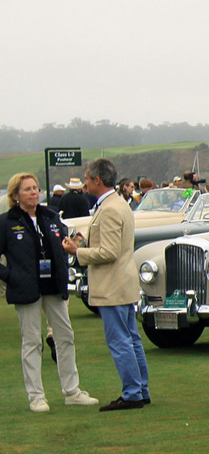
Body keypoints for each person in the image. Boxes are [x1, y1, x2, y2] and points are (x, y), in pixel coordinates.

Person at [1, 173, 95, 411]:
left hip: (53, 287)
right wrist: (11, 277)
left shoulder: (51, 216)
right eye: (27, 189)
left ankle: (72, 391)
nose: (34, 192)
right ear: (15, 195)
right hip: (26, 289)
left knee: (65, 336)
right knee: (32, 342)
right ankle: (36, 396)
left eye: (35, 188)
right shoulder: (6, 222)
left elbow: (65, 244)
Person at [61, 159, 149, 411]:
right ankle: (140, 390)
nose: (85, 184)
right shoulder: (117, 204)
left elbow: (109, 252)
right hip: (122, 283)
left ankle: (133, 393)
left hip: (113, 285)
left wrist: (79, 252)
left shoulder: (110, 208)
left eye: (87, 179)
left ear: (97, 180)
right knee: (131, 339)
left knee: (120, 341)